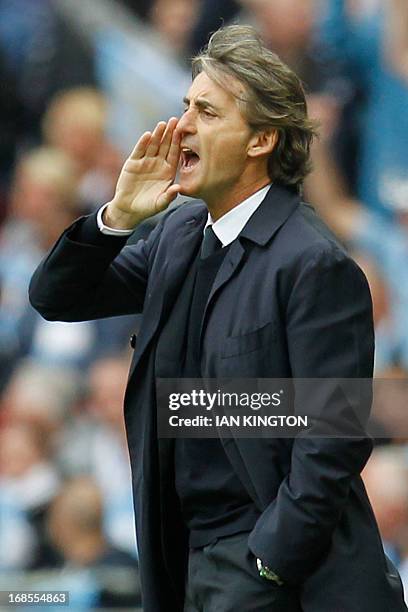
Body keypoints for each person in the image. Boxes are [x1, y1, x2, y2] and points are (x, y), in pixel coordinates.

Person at [29, 25, 407, 612]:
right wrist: (117, 216)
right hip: (183, 560)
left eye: (206, 112)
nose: (181, 127)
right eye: (185, 107)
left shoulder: (314, 263)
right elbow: (58, 297)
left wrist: (269, 563)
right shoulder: (177, 234)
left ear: (260, 141)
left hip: (275, 574)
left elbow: (331, 437)